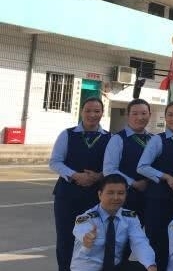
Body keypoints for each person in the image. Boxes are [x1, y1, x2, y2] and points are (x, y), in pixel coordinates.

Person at [50, 97, 111, 271]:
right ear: (81, 111)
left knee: (94, 237)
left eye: (97, 111)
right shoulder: (67, 134)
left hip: (96, 197)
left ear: (102, 113)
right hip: (67, 195)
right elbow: (55, 162)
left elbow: (113, 165)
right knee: (66, 238)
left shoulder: (110, 137)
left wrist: (99, 176)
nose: (92, 115)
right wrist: (76, 175)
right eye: (88, 111)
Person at [137, 101, 173, 271]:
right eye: (170, 115)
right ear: (165, 118)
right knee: (157, 243)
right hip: (158, 200)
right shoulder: (157, 140)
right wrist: (166, 177)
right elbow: (142, 167)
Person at [71, 174, 156, 271]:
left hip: (114, 267)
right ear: (100, 194)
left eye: (120, 193)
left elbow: (140, 242)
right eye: (110, 193)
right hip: (87, 268)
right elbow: (81, 231)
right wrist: (87, 238)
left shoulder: (130, 217)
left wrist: (150, 265)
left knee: (144, 268)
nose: (116, 197)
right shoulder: (87, 218)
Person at [103, 98, 154, 223]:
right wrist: (134, 183)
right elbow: (109, 170)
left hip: (150, 196)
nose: (140, 117)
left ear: (149, 115)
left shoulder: (154, 139)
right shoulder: (118, 139)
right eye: (135, 113)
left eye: (144, 113)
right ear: (127, 115)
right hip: (125, 196)